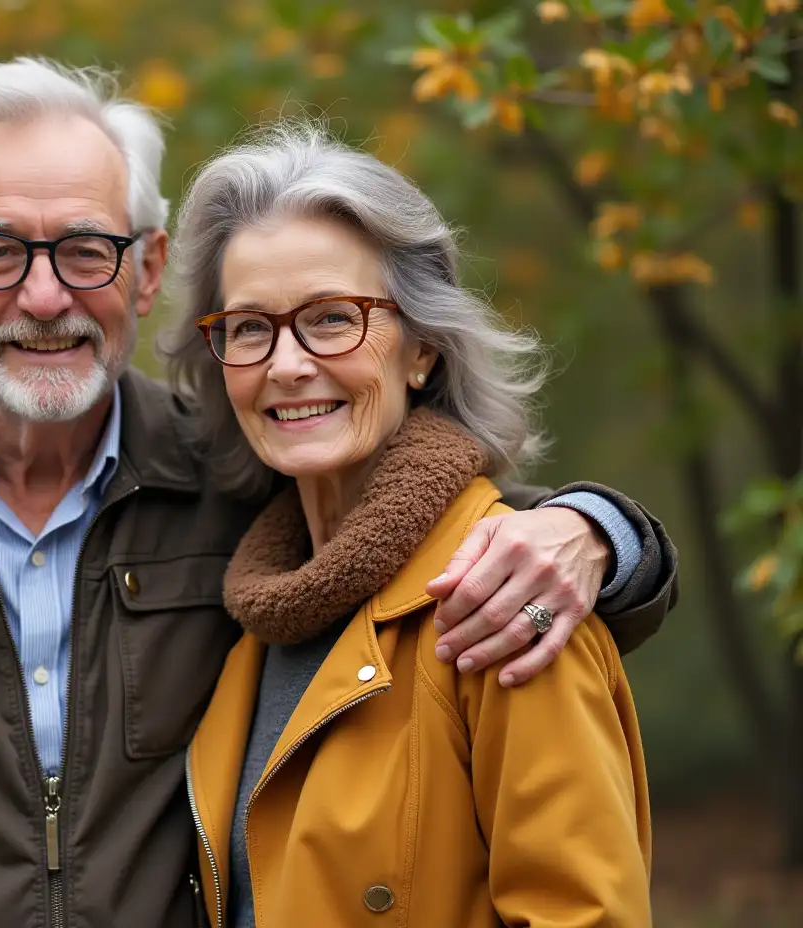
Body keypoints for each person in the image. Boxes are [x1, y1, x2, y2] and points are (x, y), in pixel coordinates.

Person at [0, 59, 674, 928]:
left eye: (84, 248)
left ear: (147, 268)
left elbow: (434, 529)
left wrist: (599, 530)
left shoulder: (233, 476)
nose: (41, 296)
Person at [170, 122, 651, 927]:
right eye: (250, 327)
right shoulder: (255, 617)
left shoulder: (505, 601)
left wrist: (603, 529)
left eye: (330, 318)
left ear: (421, 349)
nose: (287, 364)